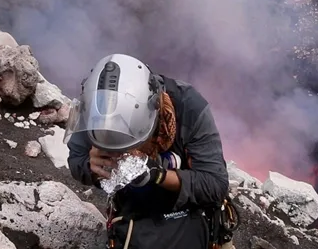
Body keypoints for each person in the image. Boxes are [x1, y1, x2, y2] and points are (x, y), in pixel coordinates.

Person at [64, 53, 235, 249]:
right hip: (135, 215)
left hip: (194, 212)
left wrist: (156, 174)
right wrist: (91, 167)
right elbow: (76, 160)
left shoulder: (189, 107)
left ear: (154, 111)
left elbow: (215, 185)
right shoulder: (94, 108)